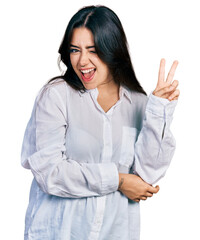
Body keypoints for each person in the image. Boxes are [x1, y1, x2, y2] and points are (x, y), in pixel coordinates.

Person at [21, 5, 180, 240]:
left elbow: (148, 175)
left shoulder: (137, 102)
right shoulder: (56, 96)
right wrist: (118, 180)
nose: (82, 61)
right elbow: (51, 173)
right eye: (75, 50)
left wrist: (159, 110)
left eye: (93, 50)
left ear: (112, 50)